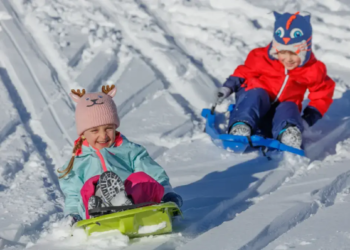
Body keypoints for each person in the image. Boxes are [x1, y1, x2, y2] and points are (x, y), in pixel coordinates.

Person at [58, 85, 183, 225]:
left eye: (108, 129)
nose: (103, 136)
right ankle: (102, 207)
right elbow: (73, 193)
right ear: (83, 133)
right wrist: (73, 214)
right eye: (94, 131)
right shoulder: (79, 162)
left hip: (134, 202)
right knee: (89, 187)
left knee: (140, 179)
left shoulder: (129, 150)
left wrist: (166, 193)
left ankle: (122, 202)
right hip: (94, 209)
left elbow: (152, 172)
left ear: (115, 127)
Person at [217, 11, 335, 149]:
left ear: (305, 51)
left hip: (278, 112)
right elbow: (243, 72)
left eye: (294, 54)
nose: (288, 59)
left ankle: (288, 133)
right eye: (282, 52)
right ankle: (241, 125)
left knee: (290, 106)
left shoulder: (312, 69)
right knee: (257, 94)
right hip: (255, 101)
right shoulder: (261, 58)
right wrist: (228, 87)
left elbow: (322, 93)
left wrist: (308, 118)